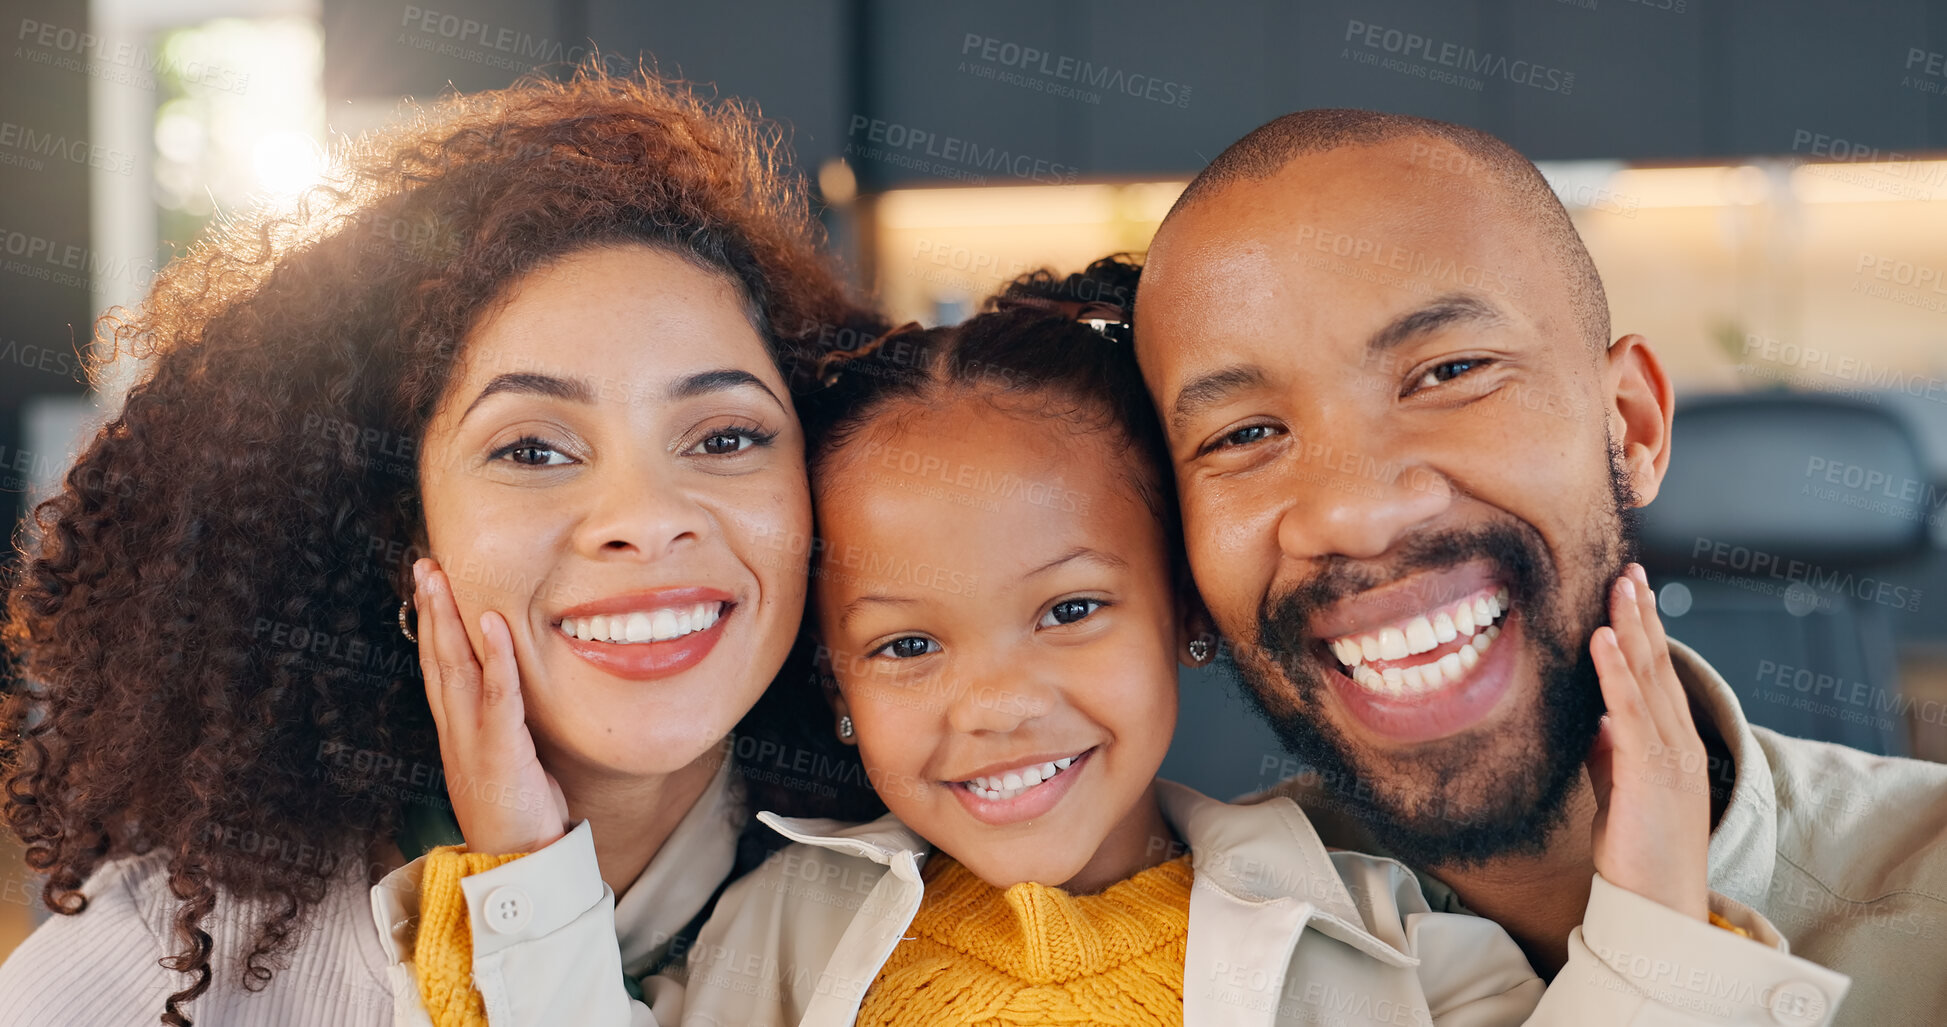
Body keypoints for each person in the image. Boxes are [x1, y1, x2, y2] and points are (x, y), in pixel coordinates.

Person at [407, 262, 1848, 1027]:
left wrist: (1652, 911)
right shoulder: (783, 935)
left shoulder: (1381, 940)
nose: (997, 702)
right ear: (834, 687)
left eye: (1071, 607)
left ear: (1191, 618)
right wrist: (528, 864)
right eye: (904, 647)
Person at [0, 67, 874, 1027]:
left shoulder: (943, 932)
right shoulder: (156, 973)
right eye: (531, 448)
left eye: (723, 437)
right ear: (398, 530)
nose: (646, 515)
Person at [1133, 109, 1947, 1027]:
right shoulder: (1129, 966)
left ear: (1630, 427)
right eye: (1244, 435)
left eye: (1448, 372)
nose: (1354, 516)